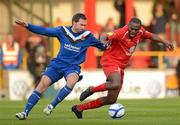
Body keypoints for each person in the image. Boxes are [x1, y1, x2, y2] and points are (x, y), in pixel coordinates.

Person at [71, 17, 174, 119]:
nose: (134, 31)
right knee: (115, 83)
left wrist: (165, 42)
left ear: (139, 28)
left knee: (111, 99)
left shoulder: (140, 32)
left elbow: (152, 36)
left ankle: (79, 108)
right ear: (128, 26)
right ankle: (92, 89)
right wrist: (102, 41)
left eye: (136, 29)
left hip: (121, 65)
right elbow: (104, 35)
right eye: (132, 28)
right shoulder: (121, 32)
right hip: (110, 61)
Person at [15, 13, 107, 120]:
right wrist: (28, 25)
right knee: (42, 84)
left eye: (84, 25)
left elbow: (103, 46)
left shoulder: (88, 36)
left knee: (71, 82)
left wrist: (115, 43)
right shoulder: (62, 31)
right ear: (74, 23)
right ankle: (25, 113)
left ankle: (51, 106)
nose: (83, 27)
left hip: (72, 67)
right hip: (57, 64)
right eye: (81, 25)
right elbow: (44, 31)